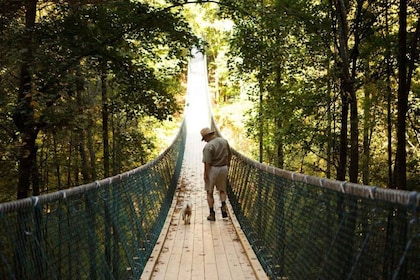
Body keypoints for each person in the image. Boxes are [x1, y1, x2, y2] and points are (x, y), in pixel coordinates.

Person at [200, 127, 232, 221]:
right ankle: (223, 207)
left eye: (204, 138)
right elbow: (229, 155)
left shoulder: (208, 146)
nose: (204, 140)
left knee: (209, 192)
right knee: (222, 190)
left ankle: (212, 213)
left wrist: (205, 175)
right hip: (223, 168)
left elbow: (207, 163)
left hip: (213, 169)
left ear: (207, 136)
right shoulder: (224, 141)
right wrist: (228, 165)